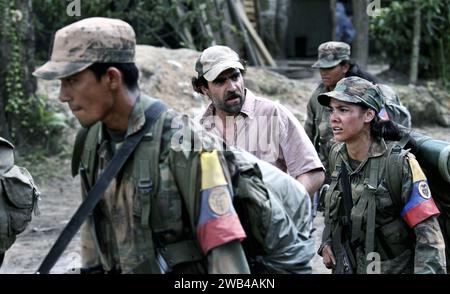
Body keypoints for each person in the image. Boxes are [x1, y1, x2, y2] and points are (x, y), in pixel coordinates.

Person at [32, 17, 251, 274]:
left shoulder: (189, 146)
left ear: (112, 78)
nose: (62, 96)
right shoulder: (91, 141)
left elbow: (226, 257)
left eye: (71, 81)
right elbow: (93, 238)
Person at [317, 76, 446, 274]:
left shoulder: (399, 164)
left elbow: (429, 237)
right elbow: (336, 209)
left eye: (343, 110)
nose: (333, 118)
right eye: (331, 110)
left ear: (368, 115)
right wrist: (327, 241)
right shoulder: (337, 155)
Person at [192, 45, 325, 198]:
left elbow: (312, 172)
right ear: (204, 89)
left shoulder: (272, 114)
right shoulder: (198, 128)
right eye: (220, 82)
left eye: (235, 77)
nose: (232, 87)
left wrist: (286, 206)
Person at [305, 41, 378, 185]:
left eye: (330, 67)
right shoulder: (317, 97)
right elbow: (308, 136)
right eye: (321, 67)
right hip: (328, 173)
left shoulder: (366, 95)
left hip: (364, 172)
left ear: (345, 66)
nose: (323, 72)